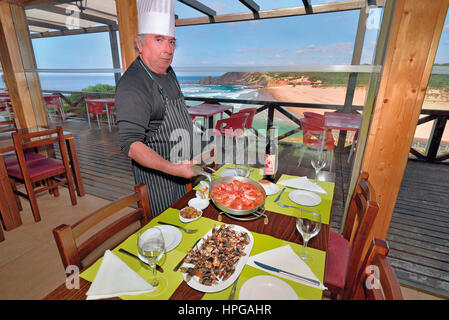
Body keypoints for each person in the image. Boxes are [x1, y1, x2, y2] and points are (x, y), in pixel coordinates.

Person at [116, 0, 196, 216]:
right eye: (158, 40)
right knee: (166, 231)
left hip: (183, 170)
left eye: (171, 42)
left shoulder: (168, 72)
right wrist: (173, 169)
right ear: (139, 44)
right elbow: (131, 145)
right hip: (158, 180)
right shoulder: (133, 84)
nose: (168, 50)